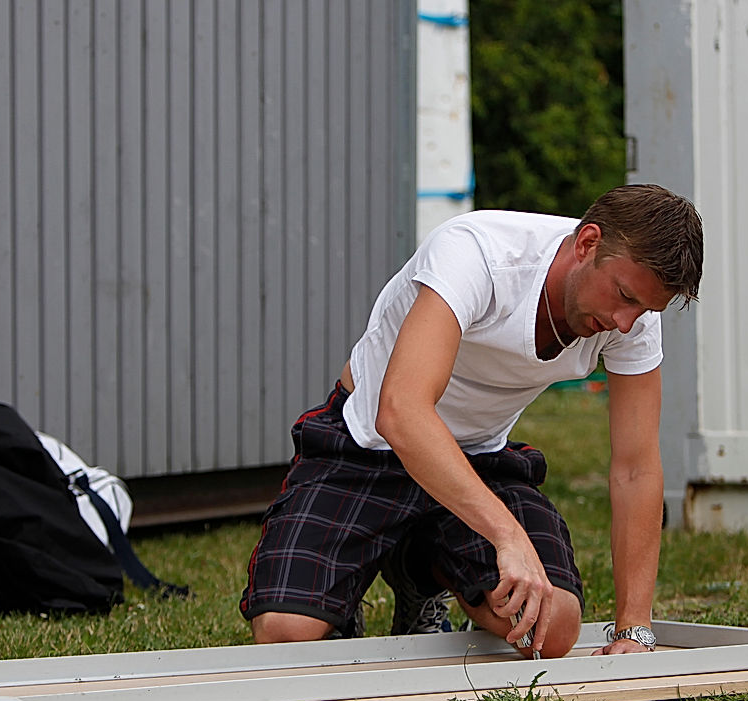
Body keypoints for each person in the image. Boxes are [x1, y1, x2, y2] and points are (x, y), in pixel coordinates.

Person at [240, 184, 703, 659]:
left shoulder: (630, 316)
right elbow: (402, 410)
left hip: (478, 457)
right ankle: (348, 588)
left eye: (645, 308)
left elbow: (636, 466)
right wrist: (508, 537)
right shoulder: (478, 253)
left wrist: (634, 629)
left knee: (552, 630)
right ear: (587, 243)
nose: (626, 323)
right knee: (286, 633)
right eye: (624, 296)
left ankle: (420, 569)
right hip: (369, 444)